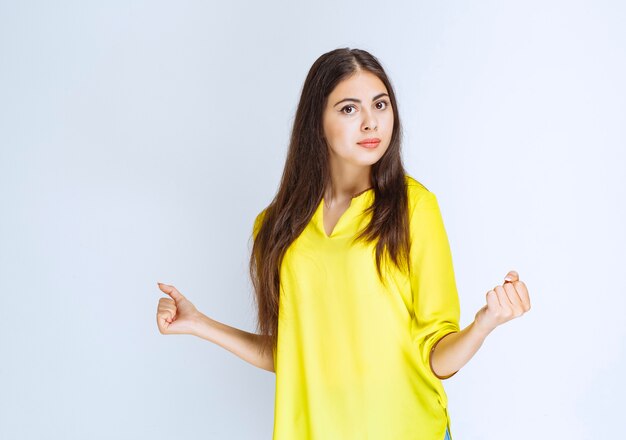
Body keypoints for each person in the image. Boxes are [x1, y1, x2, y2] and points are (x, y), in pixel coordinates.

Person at [156, 47, 531, 440]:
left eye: (380, 105)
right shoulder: (276, 227)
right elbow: (293, 351)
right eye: (349, 109)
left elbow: (437, 357)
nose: (371, 123)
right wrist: (199, 323)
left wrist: (484, 324)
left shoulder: (414, 208)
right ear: (316, 123)